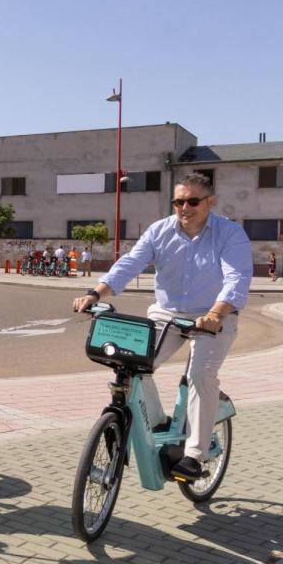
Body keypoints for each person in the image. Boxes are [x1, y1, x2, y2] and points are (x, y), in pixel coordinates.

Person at [73, 172, 252, 481]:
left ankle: (195, 455)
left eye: (193, 201)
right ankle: (156, 421)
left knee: (200, 375)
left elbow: (237, 278)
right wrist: (95, 292)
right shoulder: (160, 231)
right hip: (167, 314)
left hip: (211, 318)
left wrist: (216, 314)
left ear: (210, 202)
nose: (185, 207)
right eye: (179, 201)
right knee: (133, 364)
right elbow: (130, 263)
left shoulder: (229, 233)